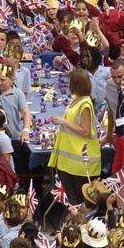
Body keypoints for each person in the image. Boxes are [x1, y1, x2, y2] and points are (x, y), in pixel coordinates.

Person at [48, 68, 102, 206]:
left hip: (80, 161)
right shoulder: (76, 100)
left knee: (80, 200)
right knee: (71, 199)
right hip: (68, 160)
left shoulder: (85, 104)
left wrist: (63, 121)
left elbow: (86, 131)